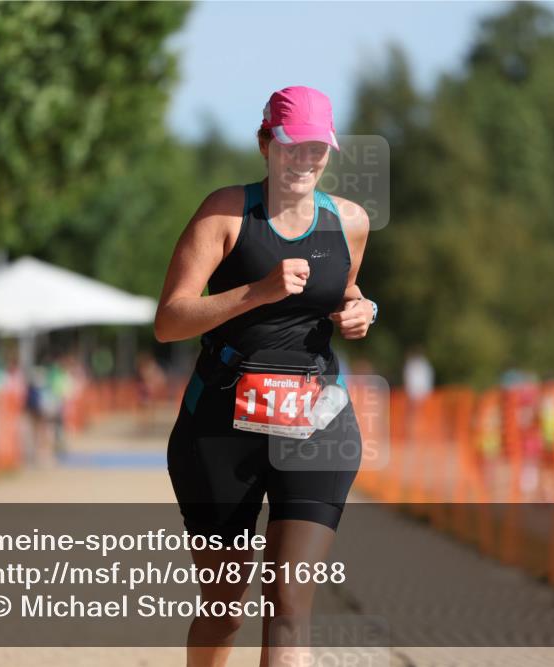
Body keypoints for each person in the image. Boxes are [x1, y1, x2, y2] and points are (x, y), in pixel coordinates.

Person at [154, 85, 376, 667]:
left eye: (316, 148)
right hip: (221, 428)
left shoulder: (350, 222)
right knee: (225, 605)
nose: (303, 160)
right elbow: (170, 320)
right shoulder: (226, 213)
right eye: (290, 146)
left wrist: (364, 309)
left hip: (317, 424)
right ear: (264, 144)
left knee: (288, 603)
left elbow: (341, 291)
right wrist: (258, 291)